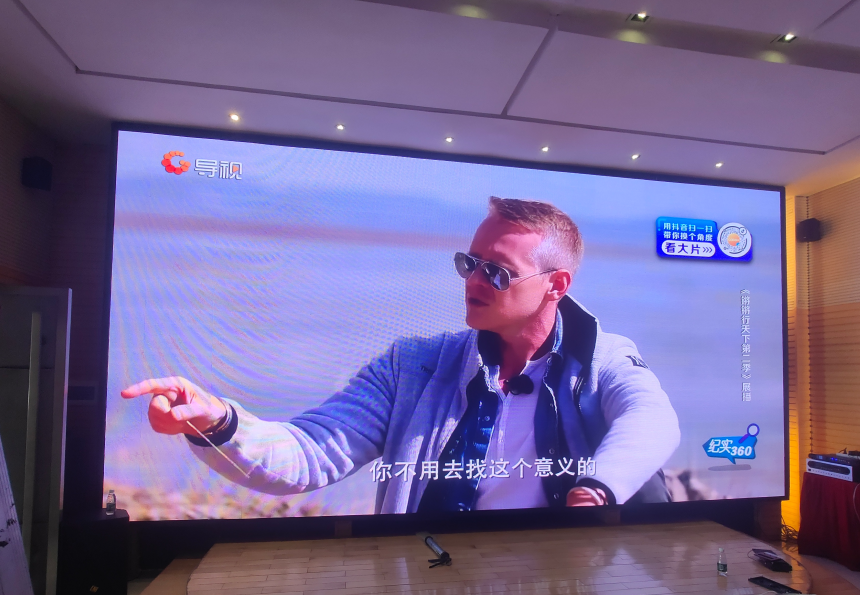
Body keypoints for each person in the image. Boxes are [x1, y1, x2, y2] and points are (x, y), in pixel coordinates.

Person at [121, 197, 680, 512]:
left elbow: (651, 420)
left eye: (497, 272)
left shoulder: (603, 357)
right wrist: (216, 421)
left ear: (556, 285)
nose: (474, 281)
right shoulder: (412, 366)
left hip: (565, 586)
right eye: (470, 263)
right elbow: (310, 454)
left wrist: (596, 488)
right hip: (433, 581)